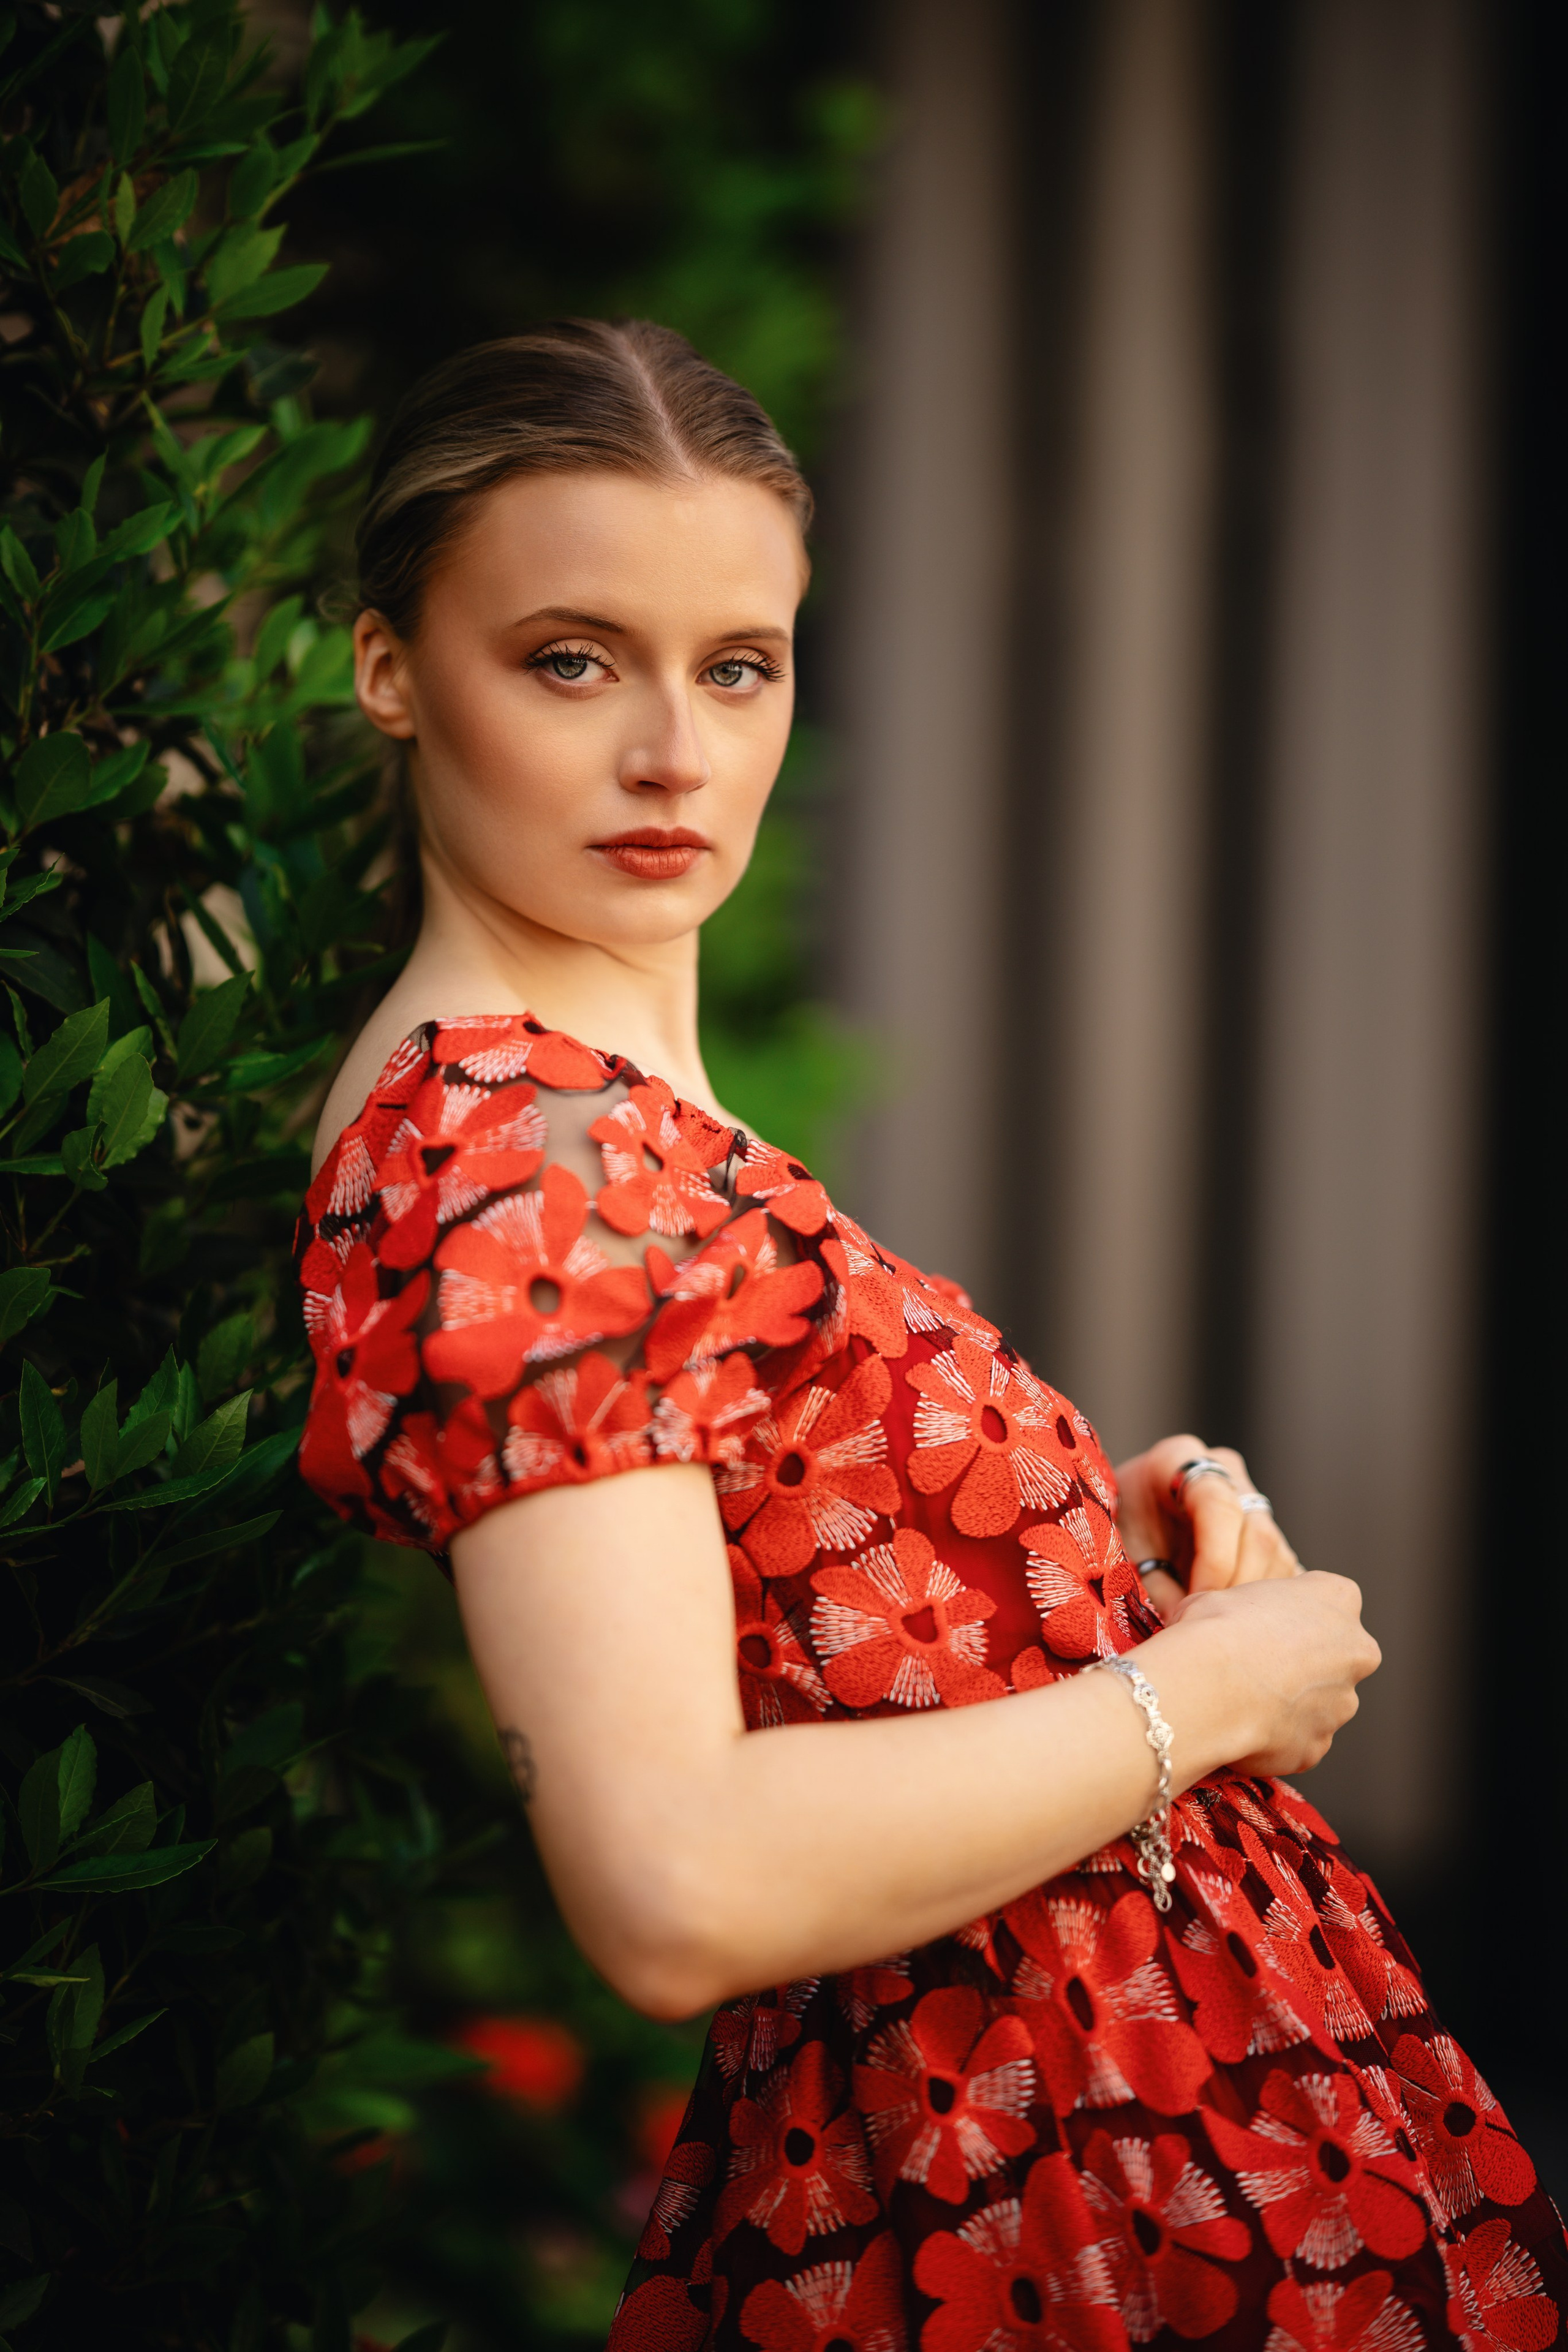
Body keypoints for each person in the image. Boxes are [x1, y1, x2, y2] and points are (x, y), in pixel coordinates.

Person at [297, 320, 1564, 2351]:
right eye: (567, 658)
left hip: (1116, 2140)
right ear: (386, 668)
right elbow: (676, 1881)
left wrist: (1061, 1560)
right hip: (1030, 2197)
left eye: (738, 665)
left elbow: (789, 1594)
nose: (672, 755)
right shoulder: (516, 1147)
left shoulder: (609, 1112)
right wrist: (1208, 1701)